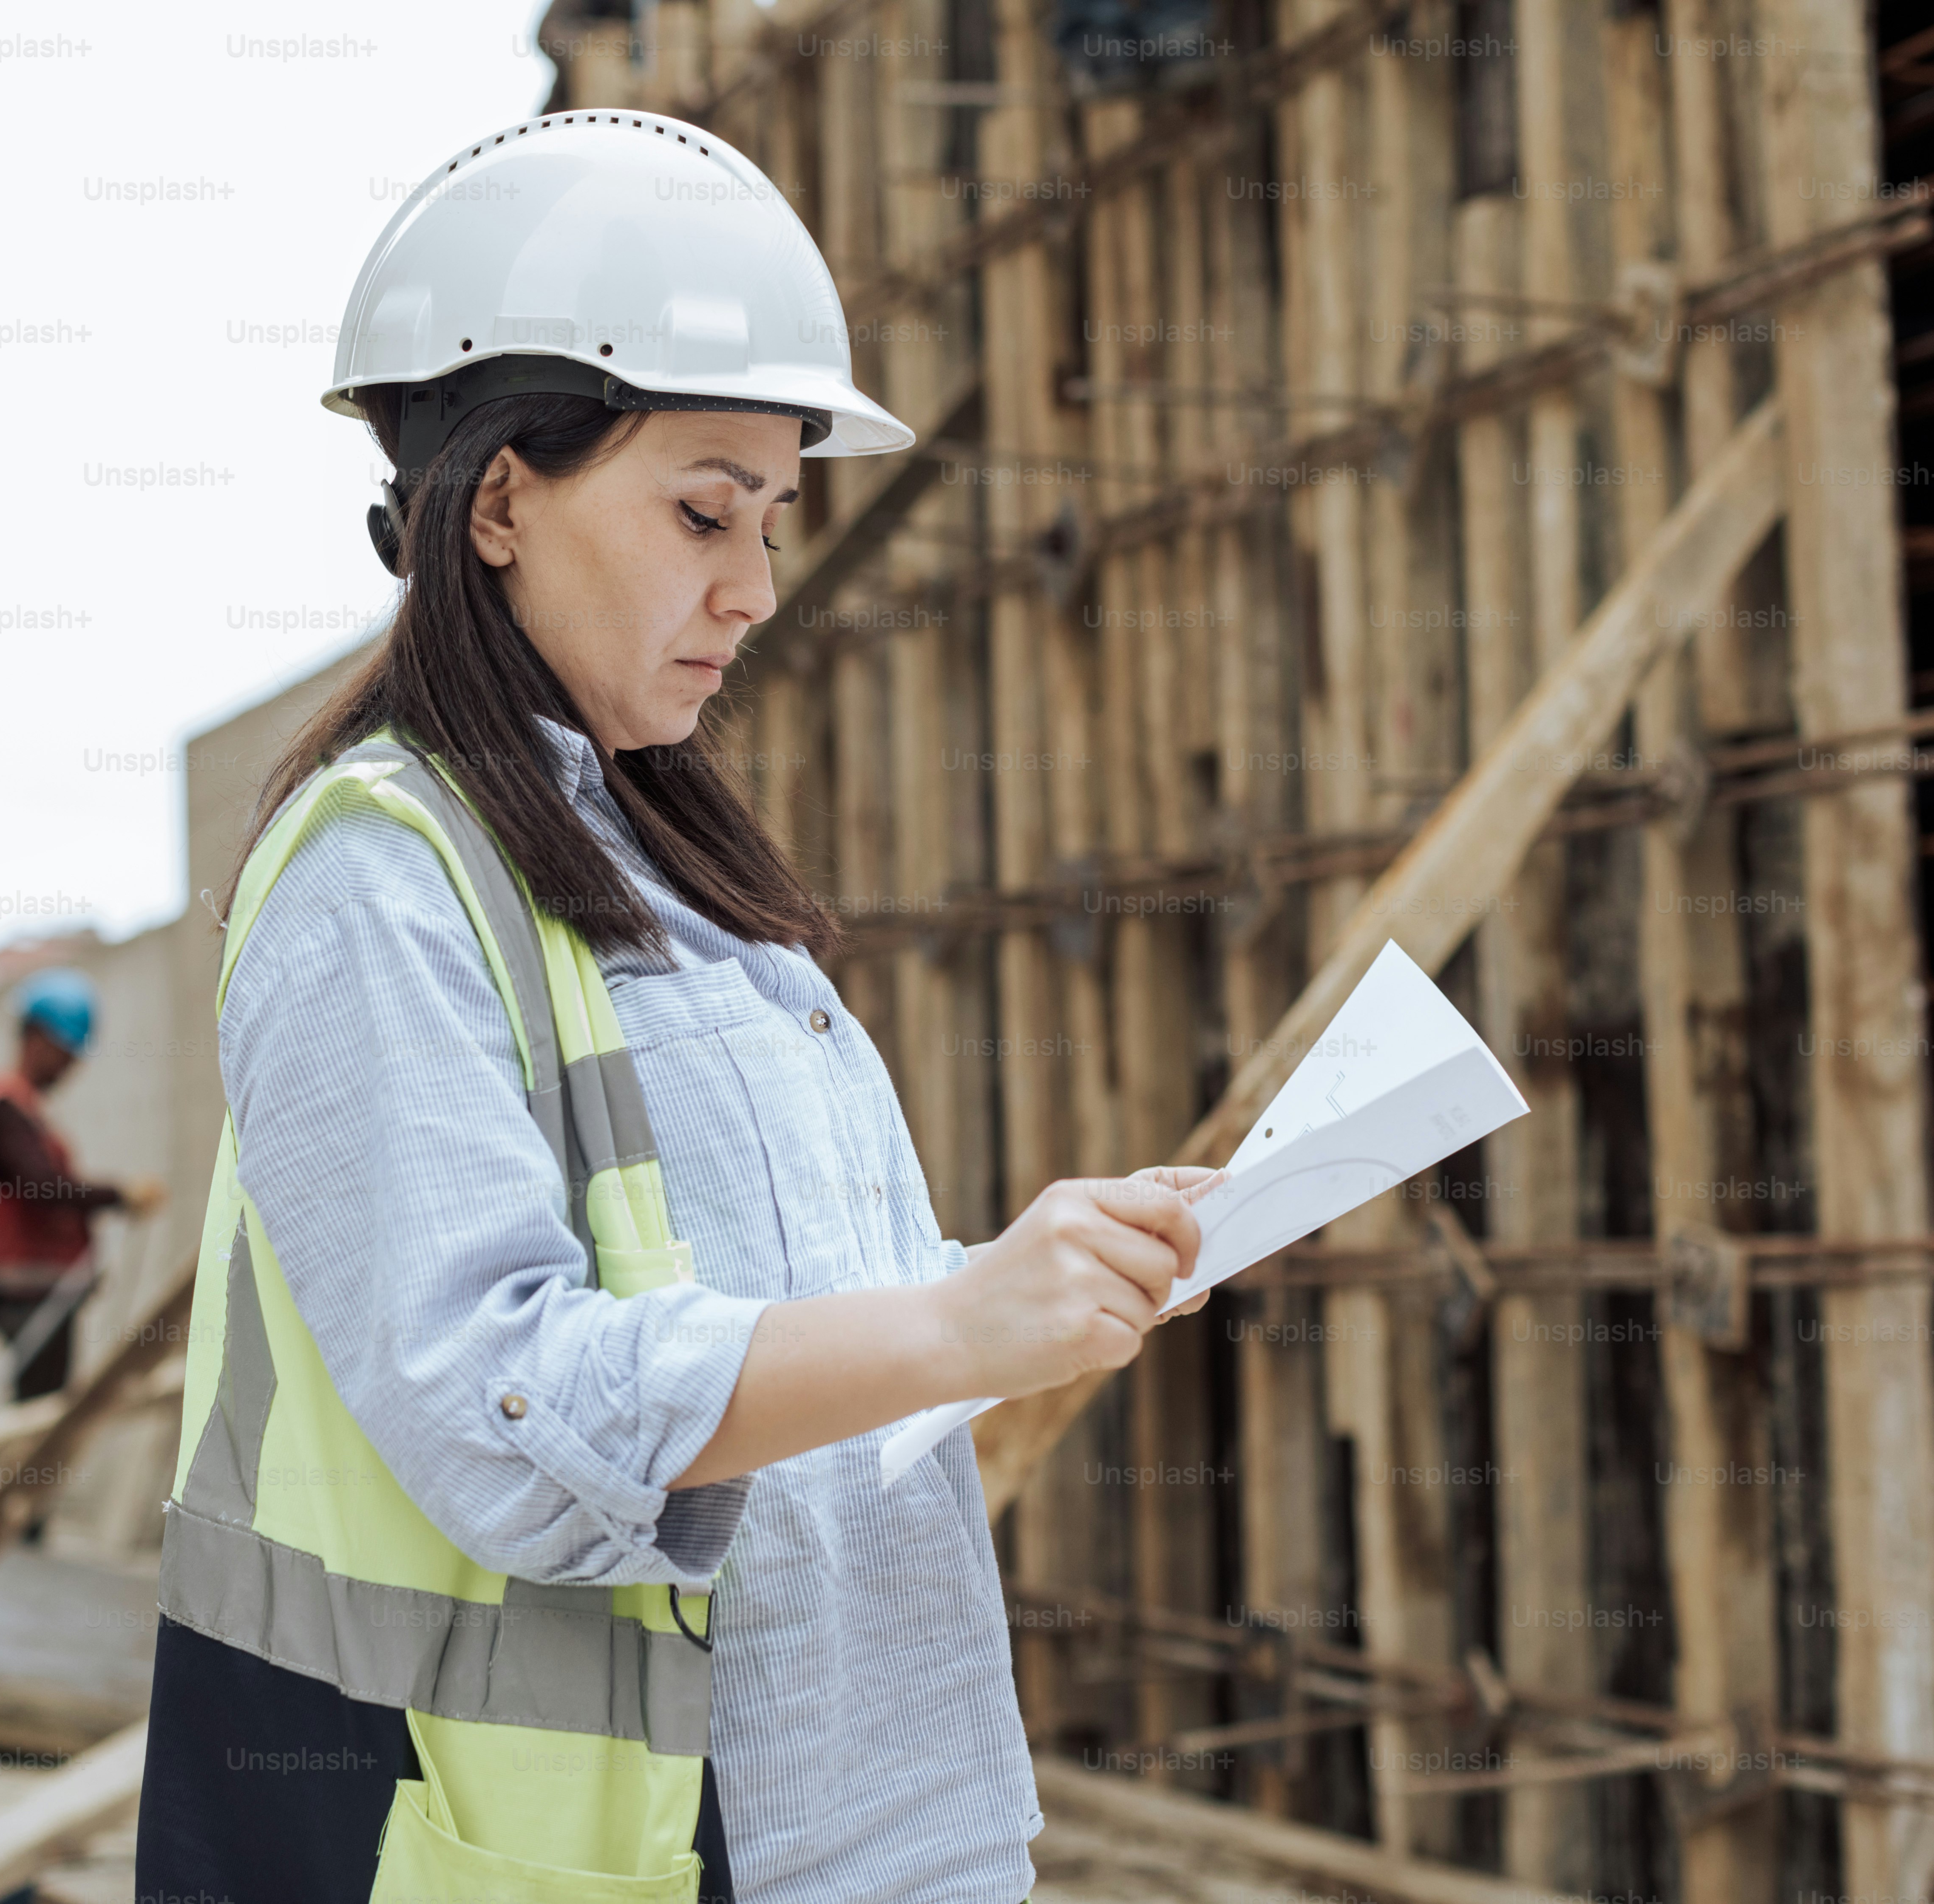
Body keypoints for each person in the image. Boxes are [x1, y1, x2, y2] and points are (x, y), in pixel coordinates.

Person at [133, 112, 1221, 1904]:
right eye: (702, 509)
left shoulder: (673, 873)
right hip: (615, 1843)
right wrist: (956, 1324)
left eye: (774, 518)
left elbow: (789, 1316)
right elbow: (501, 1392)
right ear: (495, 498)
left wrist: (1041, 1282)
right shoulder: (377, 877)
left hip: (890, 1806)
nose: (754, 584)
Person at [0, 967, 164, 1405]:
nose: (71, 1066)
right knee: (38, 1423)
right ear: (37, 1038)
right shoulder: (7, 1111)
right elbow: (43, 1187)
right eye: (66, 1052)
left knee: (43, 1415)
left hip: (44, 1292)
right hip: (28, 1295)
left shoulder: (25, 1112)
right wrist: (119, 1195)